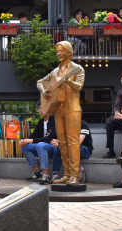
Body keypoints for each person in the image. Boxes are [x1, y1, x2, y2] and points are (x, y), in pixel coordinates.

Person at [37, 41, 85, 186]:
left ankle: (75, 175)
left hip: (72, 108)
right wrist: (44, 90)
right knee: (62, 143)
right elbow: (40, 82)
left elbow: (79, 86)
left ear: (69, 52)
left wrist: (68, 82)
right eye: (57, 51)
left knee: (73, 141)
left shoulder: (77, 69)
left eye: (61, 51)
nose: (58, 53)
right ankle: (67, 174)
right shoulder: (55, 72)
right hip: (58, 109)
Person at [20, 100, 57, 184]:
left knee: (40, 145)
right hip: (42, 147)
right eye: (39, 108)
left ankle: (46, 175)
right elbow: (33, 135)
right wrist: (25, 140)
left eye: (43, 107)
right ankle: (37, 172)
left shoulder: (54, 120)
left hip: (53, 147)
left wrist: (32, 140)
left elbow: (51, 137)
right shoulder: (41, 122)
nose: (41, 110)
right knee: (24, 146)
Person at [52, 119, 93, 184]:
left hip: (85, 150)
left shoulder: (83, 125)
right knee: (57, 149)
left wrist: (61, 143)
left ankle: (78, 172)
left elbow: (78, 143)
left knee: (72, 148)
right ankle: (55, 174)